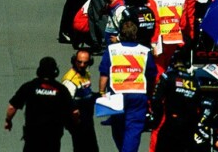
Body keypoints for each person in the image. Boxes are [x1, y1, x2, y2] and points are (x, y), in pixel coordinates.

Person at [98, 20, 156, 152]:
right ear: (135, 35)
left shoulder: (112, 50)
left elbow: (104, 74)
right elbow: (151, 76)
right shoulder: (145, 51)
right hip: (138, 94)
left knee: (118, 127)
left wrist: (101, 92)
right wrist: (150, 94)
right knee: (134, 129)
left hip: (116, 94)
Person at [6, 56, 75, 150]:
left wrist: (8, 121)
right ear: (55, 71)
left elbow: (12, 107)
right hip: (53, 136)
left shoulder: (29, 86)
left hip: (33, 135)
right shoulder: (61, 89)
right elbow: (73, 112)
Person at [61, 49, 98, 152]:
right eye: (79, 62)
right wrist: (75, 121)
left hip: (87, 119)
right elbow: (67, 103)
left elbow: (87, 94)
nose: (82, 65)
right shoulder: (70, 80)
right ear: (74, 61)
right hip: (77, 121)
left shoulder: (86, 74)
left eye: (85, 63)